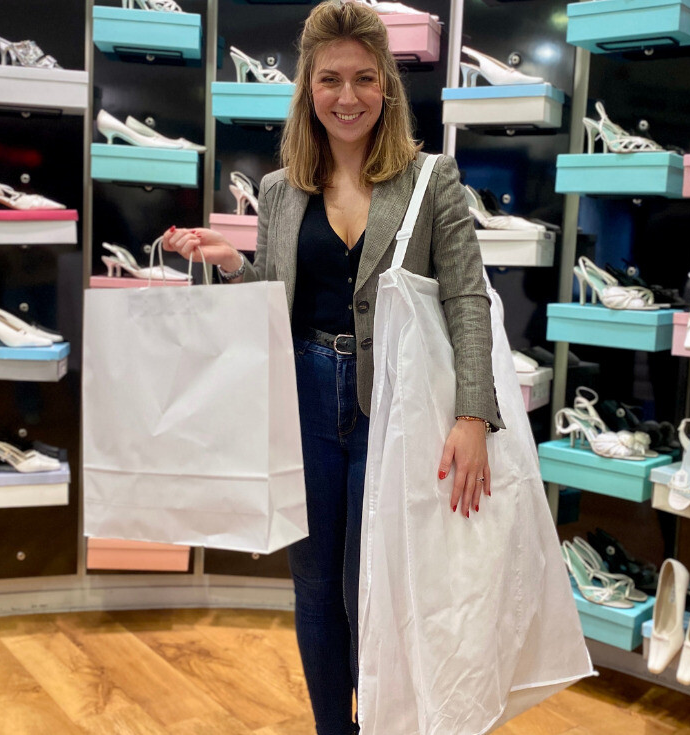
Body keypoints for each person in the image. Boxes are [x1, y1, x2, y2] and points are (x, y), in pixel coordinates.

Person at [163, 2, 503, 732]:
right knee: (314, 586)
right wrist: (231, 265)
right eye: (329, 80)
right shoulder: (283, 190)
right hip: (305, 397)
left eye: (361, 79)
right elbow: (279, 301)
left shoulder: (429, 181)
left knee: (373, 584)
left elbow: (468, 300)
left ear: (385, 86)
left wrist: (472, 414)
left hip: (398, 403)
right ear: (307, 89)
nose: (346, 97)